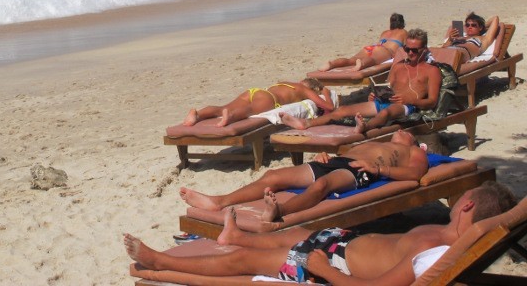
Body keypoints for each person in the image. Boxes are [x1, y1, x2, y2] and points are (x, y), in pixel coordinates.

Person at [125, 182, 518, 284]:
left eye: (463, 196)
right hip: (340, 243)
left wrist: (326, 273)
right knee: (297, 232)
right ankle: (240, 236)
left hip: (333, 263)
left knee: (244, 264)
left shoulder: (437, 246)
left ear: (465, 205)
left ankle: (158, 261)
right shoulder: (448, 236)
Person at [179, 130, 428, 223]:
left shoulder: (414, 151)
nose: (401, 131)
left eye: (406, 132)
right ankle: (219, 201)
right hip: (339, 161)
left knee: (323, 185)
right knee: (273, 175)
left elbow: (416, 174)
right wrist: (324, 155)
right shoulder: (377, 140)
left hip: (362, 171)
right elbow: (346, 151)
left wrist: (380, 170)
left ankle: (281, 212)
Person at [283, 28, 441, 134]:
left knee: (386, 112)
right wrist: (376, 95)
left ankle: (365, 127)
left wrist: (411, 99)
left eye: (415, 50)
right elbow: (387, 87)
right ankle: (307, 123)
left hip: (408, 107)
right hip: (385, 102)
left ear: (425, 49)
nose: (410, 53)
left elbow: (432, 101)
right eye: (407, 49)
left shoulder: (431, 70)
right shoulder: (399, 66)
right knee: (342, 110)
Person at [182, 78, 333, 127]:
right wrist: (324, 90)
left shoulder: (287, 83)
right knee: (248, 110)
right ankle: (231, 117)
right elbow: (329, 106)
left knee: (223, 107)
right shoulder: (304, 90)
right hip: (269, 99)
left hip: (255, 91)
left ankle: (198, 114)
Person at [318, 13, 407, 71]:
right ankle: (362, 64)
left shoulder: (385, 32)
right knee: (373, 60)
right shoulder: (403, 32)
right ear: (402, 23)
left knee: (351, 60)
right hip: (384, 50)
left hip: (371, 47)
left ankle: (332, 64)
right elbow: (407, 47)